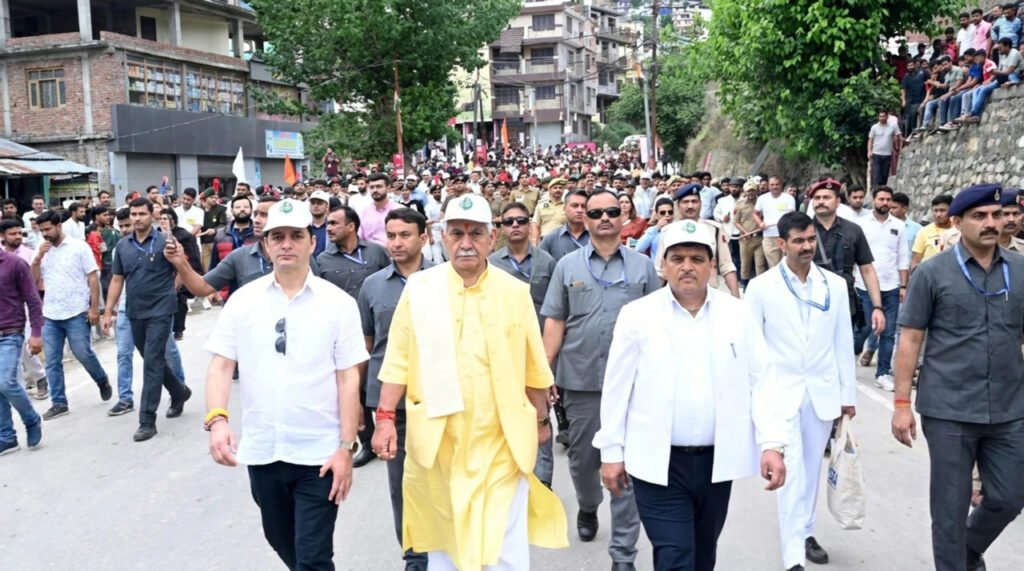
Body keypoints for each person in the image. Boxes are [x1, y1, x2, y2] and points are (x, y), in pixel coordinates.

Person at [371, 193, 568, 570]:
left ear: (491, 238)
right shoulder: (421, 289)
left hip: (501, 441)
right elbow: (397, 360)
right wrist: (384, 418)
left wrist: (542, 419)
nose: (466, 243)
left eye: (476, 234)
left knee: (503, 547)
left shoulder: (514, 292)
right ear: (442, 238)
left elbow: (533, 365)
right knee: (447, 546)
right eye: (457, 233)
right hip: (440, 441)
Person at [595, 220, 788, 571]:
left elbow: (762, 381)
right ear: (663, 265)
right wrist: (611, 452)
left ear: (711, 265)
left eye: (697, 259)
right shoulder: (638, 315)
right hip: (657, 463)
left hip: (715, 465)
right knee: (675, 556)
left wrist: (772, 444)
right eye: (678, 258)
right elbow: (616, 388)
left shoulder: (737, 314)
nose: (687, 267)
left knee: (702, 556)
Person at [203, 198, 367, 570]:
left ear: (312, 241)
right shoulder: (243, 302)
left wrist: (346, 447)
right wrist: (218, 420)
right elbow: (221, 366)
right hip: (264, 451)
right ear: (265, 244)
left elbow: (348, 378)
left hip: (319, 455)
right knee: (282, 543)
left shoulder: (338, 304)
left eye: (296, 235)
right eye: (278, 237)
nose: (287, 244)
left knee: (313, 557)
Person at [892, 183, 1024, 571]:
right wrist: (901, 403)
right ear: (957, 222)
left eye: (997, 215)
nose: (991, 223)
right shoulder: (932, 273)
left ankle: (966, 550)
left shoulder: (1020, 270)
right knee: (949, 508)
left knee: (1009, 496)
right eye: (979, 216)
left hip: (1009, 408)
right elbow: (910, 339)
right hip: (949, 410)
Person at [541, 190, 661, 569]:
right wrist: (544, 372)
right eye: (596, 213)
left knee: (626, 463)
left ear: (624, 216)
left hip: (634, 384)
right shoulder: (567, 266)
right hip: (581, 382)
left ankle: (623, 553)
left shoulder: (643, 267)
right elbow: (555, 320)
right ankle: (588, 505)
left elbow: (660, 325)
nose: (605, 218)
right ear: (585, 219)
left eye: (612, 211)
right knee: (583, 461)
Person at [744, 211, 856, 571]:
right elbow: (752, 349)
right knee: (791, 472)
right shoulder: (761, 288)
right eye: (798, 241)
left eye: (810, 239)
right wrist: (752, 397)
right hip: (780, 393)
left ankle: (806, 531)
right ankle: (793, 557)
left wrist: (848, 397)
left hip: (821, 393)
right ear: (782, 244)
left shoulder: (833, 285)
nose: (807, 246)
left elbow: (843, 341)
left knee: (810, 470)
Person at [357, 208, 432, 570]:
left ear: (423, 238)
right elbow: (368, 346)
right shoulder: (372, 286)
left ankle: (448, 549)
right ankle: (414, 554)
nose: (397, 243)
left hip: (438, 398)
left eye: (405, 235)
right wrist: (361, 404)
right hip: (392, 403)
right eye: (391, 236)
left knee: (442, 478)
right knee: (401, 483)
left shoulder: (444, 280)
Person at [102, 198, 192, 442]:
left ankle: (147, 420)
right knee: (152, 359)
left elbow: (183, 269)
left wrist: (170, 291)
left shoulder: (166, 241)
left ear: (152, 216)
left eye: (142, 214)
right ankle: (179, 391)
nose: (137, 218)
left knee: (152, 361)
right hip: (135, 311)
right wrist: (108, 312)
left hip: (161, 311)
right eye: (134, 214)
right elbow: (117, 279)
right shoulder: (123, 246)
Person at [489, 201, 558, 488]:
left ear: (530, 225)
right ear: (501, 228)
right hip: (504, 354)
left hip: (540, 352)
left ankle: (543, 483)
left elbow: (556, 312)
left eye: (520, 220)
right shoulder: (491, 264)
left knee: (541, 415)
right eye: (509, 222)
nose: (515, 226)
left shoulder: (547, 262)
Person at [31, 210, 112, 420]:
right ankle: (59, 403)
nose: (45, 234)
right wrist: (38, 257)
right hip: (51, 313)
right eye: (42, 230)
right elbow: (33, 279)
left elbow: (92, 278)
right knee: (52, 361)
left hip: (77, 311)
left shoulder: (78, 246)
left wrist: (94, 308)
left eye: (48, 229)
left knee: (82, 352)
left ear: (59, 226)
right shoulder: (42, 250)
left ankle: (101, 379)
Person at [806, 180, 886, 339]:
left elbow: (867, 269)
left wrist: (877, 307)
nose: (821, 201)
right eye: (817, 198)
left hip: (844, 301)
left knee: (844, 347)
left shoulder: (853, 230)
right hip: (810, 301)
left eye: (826, 197)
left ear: (838, 202)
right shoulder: (802, 230)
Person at [851, 186, 909, 391]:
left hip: (891, 285)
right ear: (874, 200)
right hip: (864, 285)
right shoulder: (861, 224)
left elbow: (903, 257)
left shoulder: (899, 226)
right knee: (866, 327)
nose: (885, 203)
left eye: (888, 200)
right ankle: (851, 356)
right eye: (881, 199)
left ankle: (883, 373)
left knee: (888, 331)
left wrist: (903, 285)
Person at [654, 184, 741, 298]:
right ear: (678, 205)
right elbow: (660, 270)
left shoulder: (714, 230)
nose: (690, 206)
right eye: (685, 202)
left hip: (708, 293)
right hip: (676, 294)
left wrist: (736, 298)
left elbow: (727, 266)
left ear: (701, 204)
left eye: (694, 201)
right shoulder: (668, 231)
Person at [0, 246, 44, 455]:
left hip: (10, 333)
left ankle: (31, 419)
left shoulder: (15, 263)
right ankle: (7, 437)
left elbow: (33, 299)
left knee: (5, 382)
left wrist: (36, 333)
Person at [0, 219, 47, 399]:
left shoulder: (28, 254)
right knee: (16, 355)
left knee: (27, 347)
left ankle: (39, 378)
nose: (18, 237)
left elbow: (37, 281)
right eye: (13, 234)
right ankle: (21, 391)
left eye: (20, 233)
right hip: (8, 311)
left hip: (27, 308)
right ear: (3, 236)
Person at [316, 205, 389, 300]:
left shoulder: (376, 251)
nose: (328, 228)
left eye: (334, 223)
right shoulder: (322, 260)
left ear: (351, 227)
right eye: (328, 224)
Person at [159, 208, 202, 341]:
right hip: (164, 273)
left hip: (181, 270)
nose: (162, 221)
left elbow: (192, 256)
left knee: (179, 297)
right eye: (160, 219)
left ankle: (178, 329)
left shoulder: (184, 235)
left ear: (173, 220)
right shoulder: (157, 236)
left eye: (165, 219)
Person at [754, 177, 797, 267]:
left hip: (785, 236)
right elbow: (755, 214)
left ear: (781, 185)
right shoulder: (762, 198)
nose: (774, 187)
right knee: (773, 265)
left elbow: (792, 215)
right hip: (769, 237)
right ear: (768, 186)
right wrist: (760, 223)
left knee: (787, 264)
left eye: (777, 184)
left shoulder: (789, 198)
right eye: (772, 185)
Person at [539, 190, 590, 262]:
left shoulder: (597, 236)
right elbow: (540, 264)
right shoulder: (551, 238)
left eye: (583, 206)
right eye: (575, 206)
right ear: (564, 209)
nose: (580, 210)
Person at [911, 194, 955, 271]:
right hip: (928, 275)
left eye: (942, 210)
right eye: (935, 211)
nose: (938, 214)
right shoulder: (924, 232)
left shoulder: (959, 231)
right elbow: (915, 261)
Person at [358, 173, 398, 247]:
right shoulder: (363, 212)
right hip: (370, 252)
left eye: (379, 186)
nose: (375, 190)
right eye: (372, 187)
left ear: (388, 188)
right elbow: (359, 238)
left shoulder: (399, 210)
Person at [198, 188, 228, 282]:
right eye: (211, 197)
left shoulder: (221, 209)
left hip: (216, 240)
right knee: (205, 266)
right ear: (205, 198)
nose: (214, 199)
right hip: (203, 241)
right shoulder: (199, 209)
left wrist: (215, 230)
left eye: (215, 197)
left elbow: (223, 224)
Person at [308, 190, 331, 258]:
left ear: (327, 206)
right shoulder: (304, 227)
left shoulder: (333, 226)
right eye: (313, 203)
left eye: (319, 203)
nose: (315, 206)